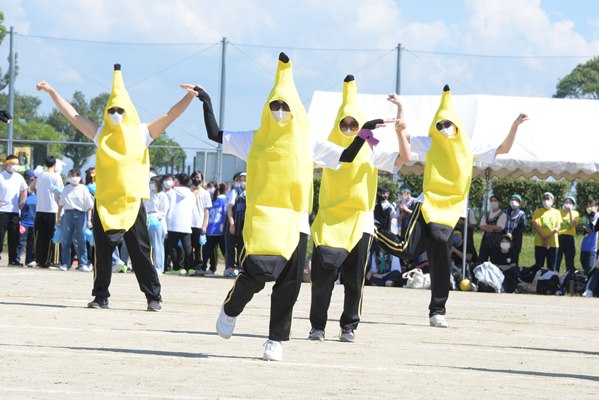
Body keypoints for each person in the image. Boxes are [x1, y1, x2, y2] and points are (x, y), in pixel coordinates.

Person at [193, 52, 377, 361]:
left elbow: (345, 157)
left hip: (296, 219)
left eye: (285, 106)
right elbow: (215, 134)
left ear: (296, 110)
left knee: (290, 282)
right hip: (263, 217)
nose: (279, 111)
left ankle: (275, 339)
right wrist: (206, 102)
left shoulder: (308, 141)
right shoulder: (255, 138)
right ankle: (231, 307)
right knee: (256, 273)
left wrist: (363, 133)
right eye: (274, 105)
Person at [36, 63, 196, 310]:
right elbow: (73, 114)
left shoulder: (143, 133)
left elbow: (170, 115)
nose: (115, 114)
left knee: (141, 251)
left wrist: (190, 96)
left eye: (120, 110)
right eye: (111, 110)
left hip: (132, 203)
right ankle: (101, 296)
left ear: (129, 110)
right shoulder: (101, 134)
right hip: (105, 203)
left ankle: (153, 296)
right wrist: (52, 91)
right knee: (101, 252)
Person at [376, 85, 529, 328]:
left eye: (447, 124)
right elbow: (404, 137)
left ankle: (437, 311)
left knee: (441, 262)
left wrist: (515, 126)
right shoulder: (431, 143)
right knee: (407, 249)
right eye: (439, 125)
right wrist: (401, 108)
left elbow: (503, 149)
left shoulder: (470, 146)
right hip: (427, 206)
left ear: (456, 125)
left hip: (449, 212)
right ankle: (373, 230)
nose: (443, 129)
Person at [308, 77, 409, 343]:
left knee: (354, 281)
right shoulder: (326, 148)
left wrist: (400, 127)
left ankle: (348, 326)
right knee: (323, 280)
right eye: (345, 123)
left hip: (360, 222)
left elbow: (405, 158)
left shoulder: (372, 151)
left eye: (354, 123)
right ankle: (317, 325)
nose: (349, 128)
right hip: (329, 221)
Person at [57, 169, 94, 272]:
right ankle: (65, 263)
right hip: (68, 214)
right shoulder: (66, 189)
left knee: (81, 240)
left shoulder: (84, 189)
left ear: (79, 177)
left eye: (75, 175)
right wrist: (59, 218)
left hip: (81, 215)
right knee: (66, 240)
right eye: (71, 175)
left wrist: (89, 220)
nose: (73, 177)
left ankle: (83, 263)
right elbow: (60, 204)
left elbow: (89, 206)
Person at [32, 155, 64, 268]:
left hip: (40, 209)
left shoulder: (40, 176)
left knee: (41, 236)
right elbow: (61, 193)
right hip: (53, 209)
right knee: (54, 235)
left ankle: (40, 259)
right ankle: (53, 260)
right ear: (54, 164)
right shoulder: (56, 177)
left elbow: (34, 188)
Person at [164, 173, 196, 276]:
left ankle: (177, 268)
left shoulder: (171, 193)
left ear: (177, 181)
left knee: (172, 247)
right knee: (188, 248)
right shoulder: (191, 194)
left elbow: (166, 208)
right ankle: (191, 268)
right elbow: (193, 210)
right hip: (186, 224)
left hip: (173, 224)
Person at [0, 155, 28, 266]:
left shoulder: (19, 177)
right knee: (0, 236)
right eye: (13, 164)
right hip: (2, 211)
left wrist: (23, 200)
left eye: (16, 164)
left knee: (14, 236)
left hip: (14, 211)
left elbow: (24, 190)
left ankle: (13, 259)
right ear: (7, 164)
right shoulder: (1, 176)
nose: (14, 166)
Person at [199, 183, 228, 275]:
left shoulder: (214, 200)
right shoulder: (222, 200)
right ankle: (228, 268)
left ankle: (207, 267)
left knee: (208, 251)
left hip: (212, 230)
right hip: (220, 230)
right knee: (224, 251)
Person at [531, 192, 561, 271]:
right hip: (539, 243)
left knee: (551, 266)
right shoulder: (537, 212)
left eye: (548, 199)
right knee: (538, 265)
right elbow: (535, 225)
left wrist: (547, 237)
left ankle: (550, 282)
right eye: (544, 199)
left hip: (553, 243)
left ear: (552, 201)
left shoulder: (557, 212)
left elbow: (558, 227)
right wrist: (543, 237)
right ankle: (538, 282)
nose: (546, 201)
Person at [144, 174, 168, 274]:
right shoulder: (148, 194)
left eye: (153, 183)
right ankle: (148, 266)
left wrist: (155, 216)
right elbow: (144, 207)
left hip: (157, 222)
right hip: (147, 221)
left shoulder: (163, 195)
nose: (151, 185)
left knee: (158, 245)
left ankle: (159, 267)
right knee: (147, 245)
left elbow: (164, 211)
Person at [224, 172, 246, 277]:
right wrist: (232, 223)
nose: (244, 181)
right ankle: (230, 268)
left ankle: (241, 268)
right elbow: (229, 208)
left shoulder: (250, 193)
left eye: (246, 179)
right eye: (242, 179)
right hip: (233, 222)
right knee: (230, 246)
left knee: (243, 247)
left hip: (244, 225)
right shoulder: (235, 191)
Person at [190, 170, 211, 272]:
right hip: (187, 224)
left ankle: (199, 266)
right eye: (194, 177)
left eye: (198, 177)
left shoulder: (205, 193)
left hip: (199, 223)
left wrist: (205, 225)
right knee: (188, 247)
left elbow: (206, 211)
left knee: (198, 247)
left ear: (202, 179)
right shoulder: (188, 191)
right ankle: (188, 265)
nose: (196, 179)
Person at [478, 194, 506, 263]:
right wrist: (493, 228)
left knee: (495, 262)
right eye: (491, 201)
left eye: (495, 201)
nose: (493, 202)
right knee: (482, 260)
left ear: (499, 202)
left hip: (496, 242)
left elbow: (499, 227)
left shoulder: (502, 214)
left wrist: (486, 226)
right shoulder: (486, 214)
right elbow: (481, 226)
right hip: (485, 242)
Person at [17, 172, 37, 267]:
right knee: (21, 242)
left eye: (33, 180)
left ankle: (29, 260)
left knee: (31, 243)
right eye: (30, 179)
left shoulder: (37, 194)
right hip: (24, 222)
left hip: (33, 223)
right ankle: (16, 258)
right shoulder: (23, 193)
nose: (31, 182)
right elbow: (19, 207)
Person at [556, 196, 579, 272]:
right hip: (559, 238)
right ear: (563, 203)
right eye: (566, 202)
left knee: (569, 260)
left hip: (569, 239)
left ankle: (569, 278)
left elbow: (572, 224)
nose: (568, 204)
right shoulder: (558, 212)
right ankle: (554, 277)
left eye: (570, 203)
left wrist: (570, 211)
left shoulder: (575, 213)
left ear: (573, 205)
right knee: (557, 259)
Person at [504, 194, 526, 265]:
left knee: (514, 257)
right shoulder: (504, 212)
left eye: (516, 200)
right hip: (504, 237)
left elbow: (522, 227)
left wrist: (512, 235)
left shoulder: (521, 213)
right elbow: (501, 223)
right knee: (503, 256)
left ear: (519, 203)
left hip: (516, 239)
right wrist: (505, 234)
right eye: (513, 199)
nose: (514, 201)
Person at [580, 200, 599, 272]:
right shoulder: (589, 218)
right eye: (588, 206)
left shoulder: (598, 216)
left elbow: (591, 229)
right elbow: (585, 232)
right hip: (584, 247)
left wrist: (586, 229)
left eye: (591, 206)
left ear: (597, 207)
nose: (589, 208)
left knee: (591, 270)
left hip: (593, 249)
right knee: (585, 270)